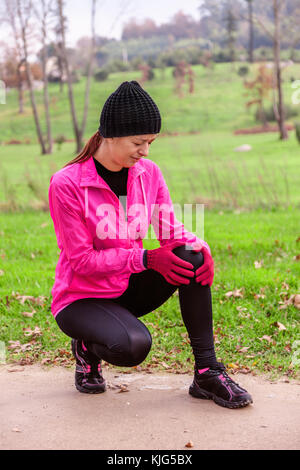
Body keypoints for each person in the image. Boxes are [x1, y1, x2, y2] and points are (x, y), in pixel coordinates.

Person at [48, 80, 252, 409]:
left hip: (125, 287)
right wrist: (144, 258)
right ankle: (86, 348)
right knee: (132, 347)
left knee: (191, 255)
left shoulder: (148, 173)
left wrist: (201, 247)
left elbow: (171, 231)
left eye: (150, 142)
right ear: (110, 135)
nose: (145, 151)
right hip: (81, 299)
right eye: (138, 142)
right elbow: (82, 260)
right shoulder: (67, 184)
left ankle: (207, 372)